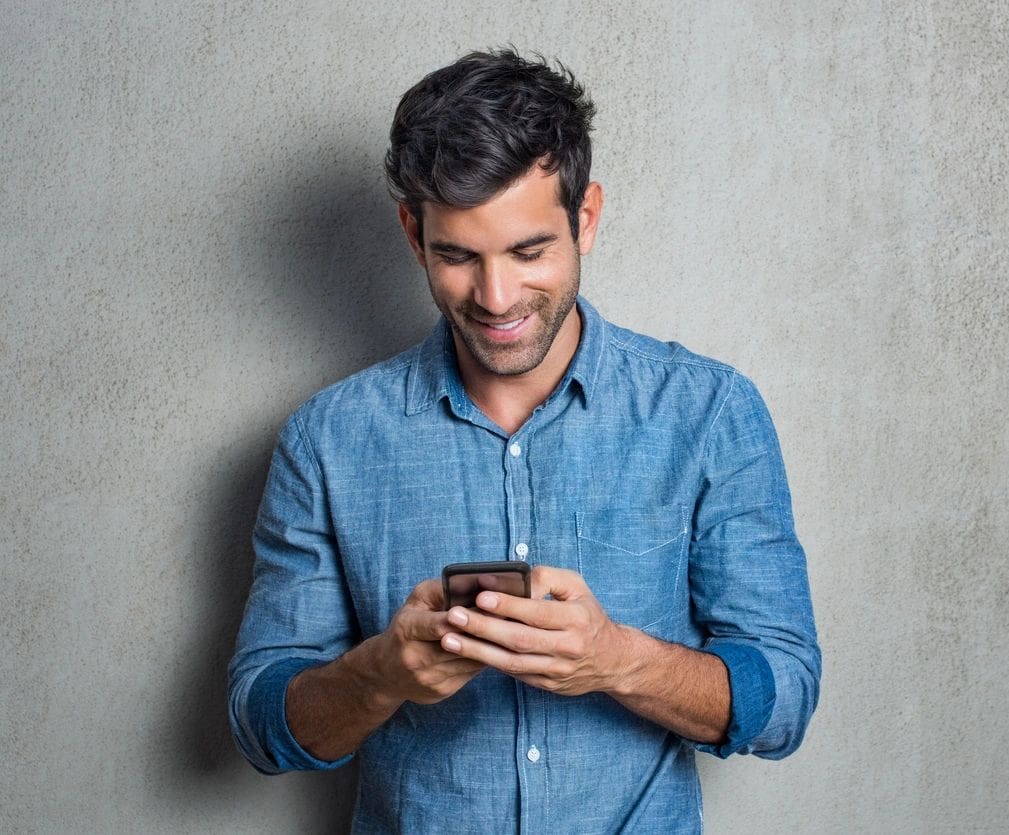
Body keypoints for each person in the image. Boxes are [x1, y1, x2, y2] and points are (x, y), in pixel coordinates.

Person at [228, 48, 820, 833]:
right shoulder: (327, 440)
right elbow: (262, 725)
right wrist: (380, 674)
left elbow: (783, 697)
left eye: (529, 251)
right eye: (457, 256)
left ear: (586, 218)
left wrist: (617, 659)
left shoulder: (708, 413)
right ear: (413, 234)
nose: (496, 296)